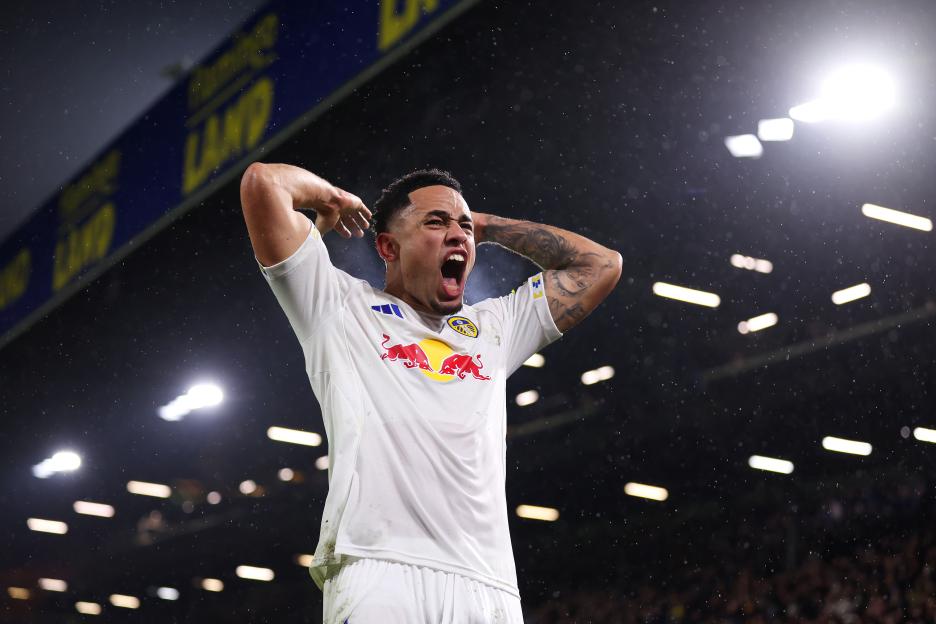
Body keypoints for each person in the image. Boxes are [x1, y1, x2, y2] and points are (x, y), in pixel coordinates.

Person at [240, 163, 622, 623]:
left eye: (463, 227)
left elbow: (601, 265)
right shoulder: (338, 307)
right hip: (379, 570)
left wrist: (483, 225)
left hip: (489, 585)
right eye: (435, 222)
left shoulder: (494, 329)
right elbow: (264, 183)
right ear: (387, 246)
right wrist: (331, 198)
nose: (457, 235)